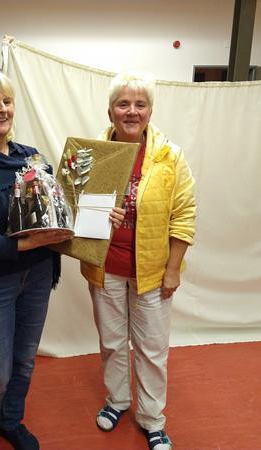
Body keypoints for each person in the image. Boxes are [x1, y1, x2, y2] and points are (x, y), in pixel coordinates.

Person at [0, 68, 124, 450]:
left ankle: (9, 421)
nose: (2, 109)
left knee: (24, 361)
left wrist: (99, 213)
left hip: (37, 276)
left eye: (7, 101)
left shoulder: (32, 158)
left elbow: (61, 210)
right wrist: (21, 246)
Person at [81, 71, 196, 450]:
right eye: (123, 104)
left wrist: (173, 268)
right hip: (105, 266)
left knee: (151, 350)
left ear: (150, 111)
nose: (132, 111)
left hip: (152, 271)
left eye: (140, 104)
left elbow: (184, 213)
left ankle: (151, 419)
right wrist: (98, 215)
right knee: (112, 343)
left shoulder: (169, 156)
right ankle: (117, 400)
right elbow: (73, 208)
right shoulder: (92, 154)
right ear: (110, 111)